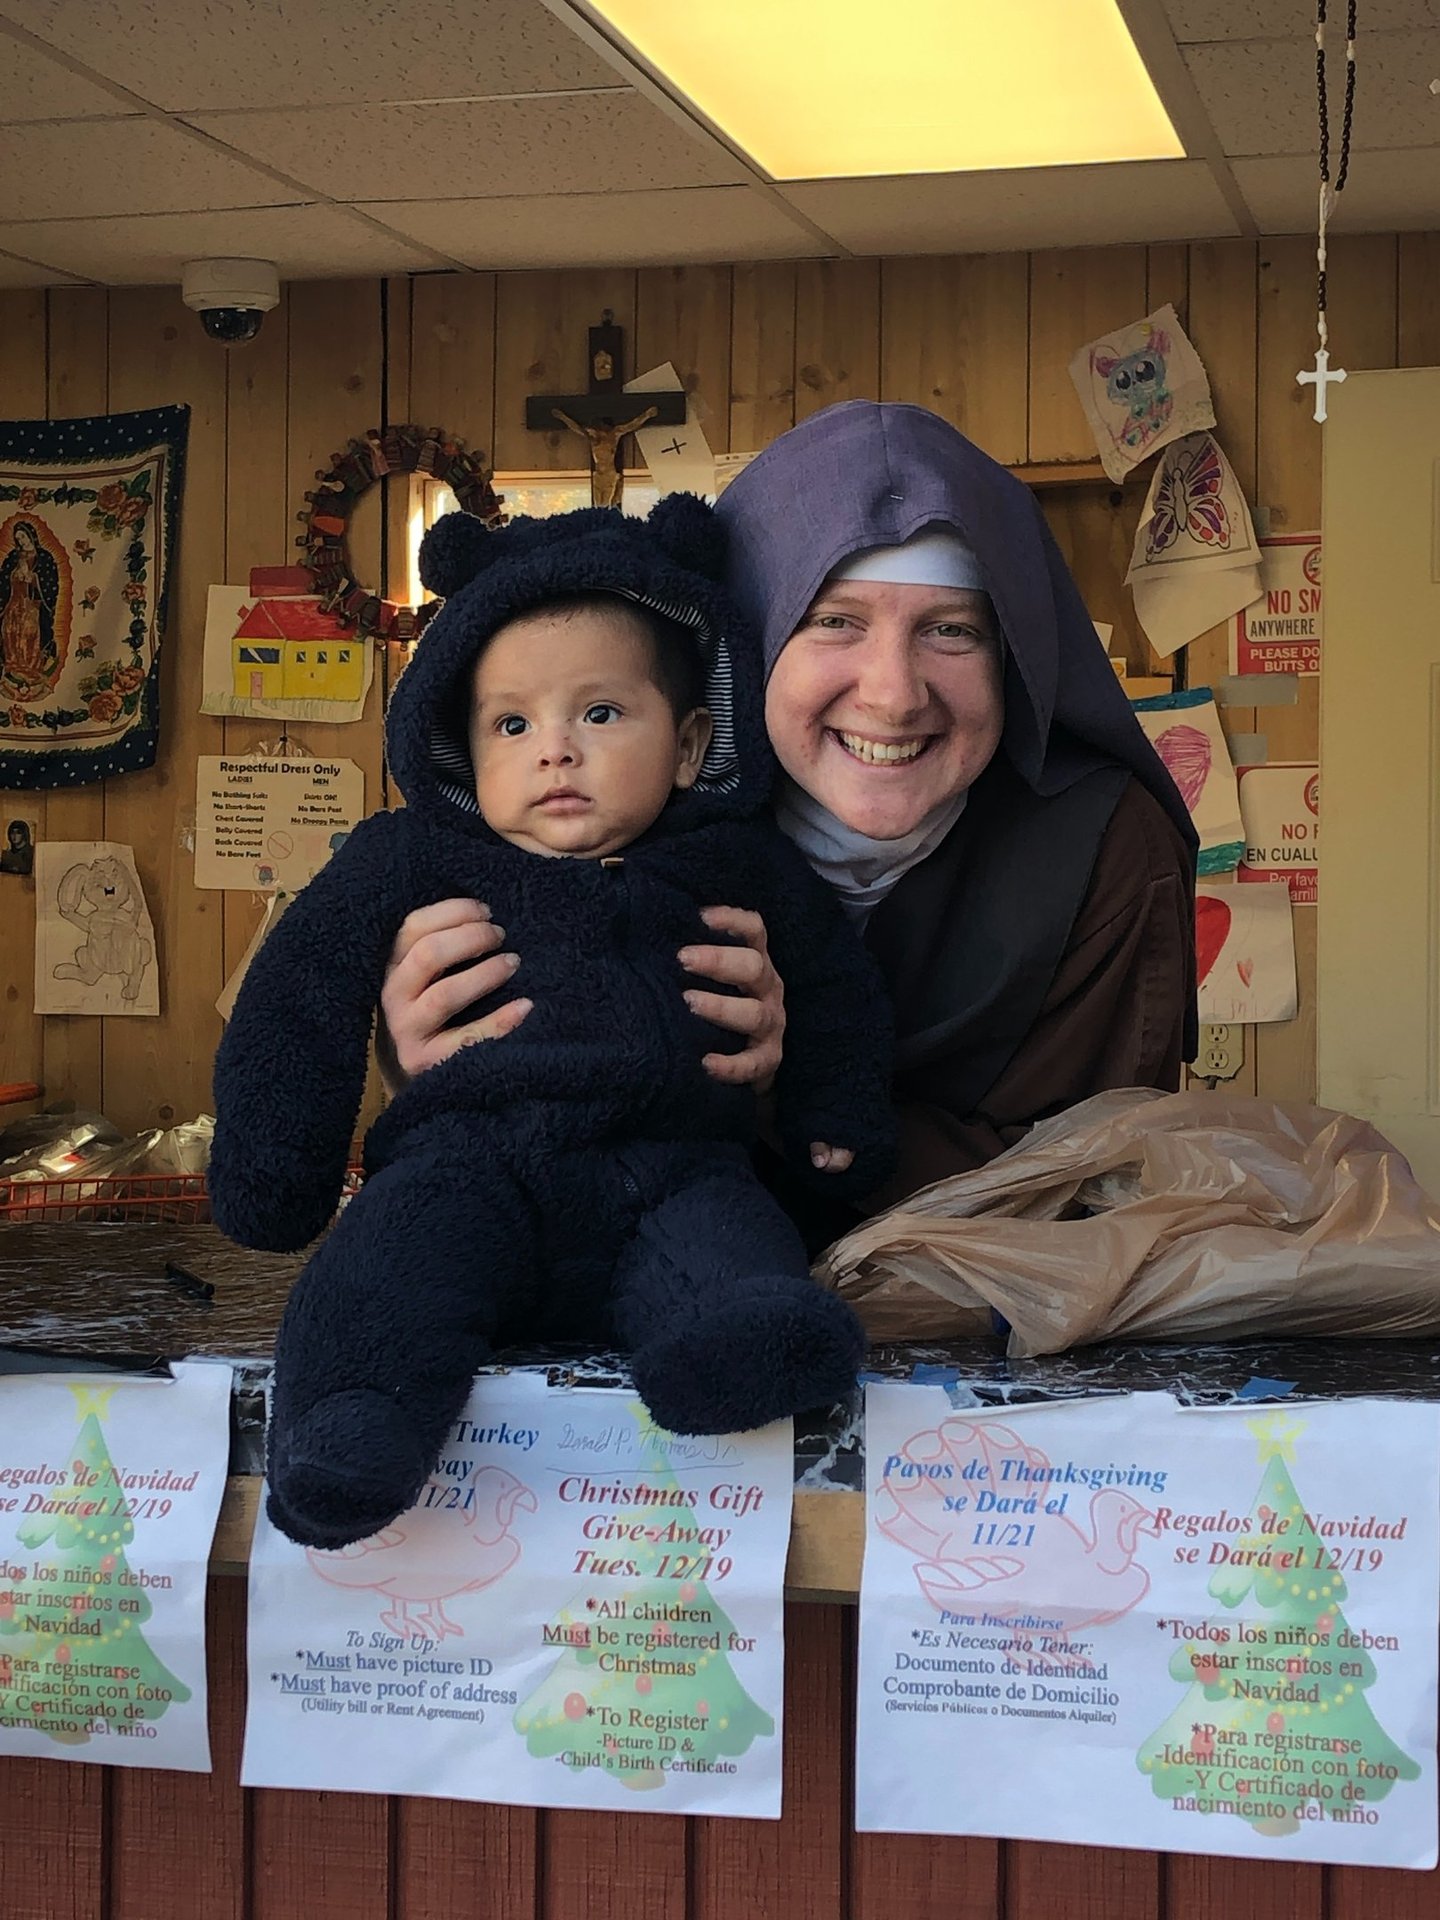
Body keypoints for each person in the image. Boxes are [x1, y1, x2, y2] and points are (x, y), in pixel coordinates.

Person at [210, 497, 893, 1548]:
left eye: (603, 715)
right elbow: (298, 995)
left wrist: (831, 1126)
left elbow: (834, 987)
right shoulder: (408, 861)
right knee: (383, 1262)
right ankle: (351, 1427)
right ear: (459, 742)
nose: (555, 752)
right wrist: (276, 1166)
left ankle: (732, 1352)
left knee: (736, 1247)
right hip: (466, 1163)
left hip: (677, 1169)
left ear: (689, 740)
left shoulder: (737, 862)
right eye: (512, 724)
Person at [380, 402, 1197, 1221]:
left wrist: (773, 1104)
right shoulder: (616, 802)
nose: (893, 695)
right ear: (756, 640)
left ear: (1013, 659)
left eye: (951, 632)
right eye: (833, 622)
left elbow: (1087, 1183)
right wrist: (429, 1046)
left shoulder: (1108, 852)